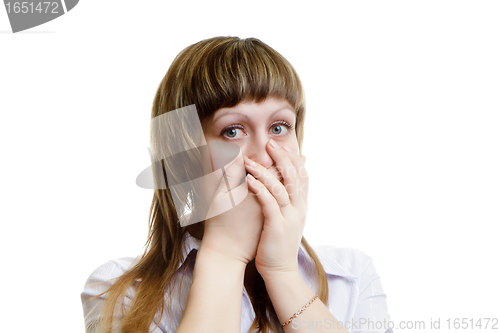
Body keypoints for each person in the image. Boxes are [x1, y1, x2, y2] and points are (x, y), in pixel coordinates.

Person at [81, 36, 392, 333]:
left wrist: (282, 274)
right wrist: (224, 254)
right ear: (184, 157)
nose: (263, 155)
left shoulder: (352, 276)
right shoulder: (116, 289)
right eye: (232, 131)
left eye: (279, 127)